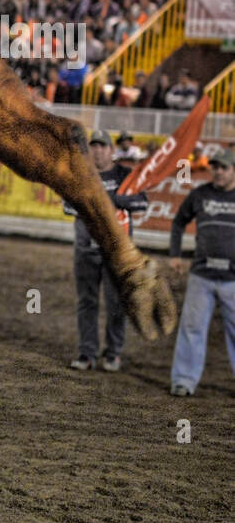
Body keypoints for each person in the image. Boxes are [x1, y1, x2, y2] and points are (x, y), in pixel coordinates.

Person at [65, 130, 149, 371]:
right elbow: (67, 206)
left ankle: (113, 353)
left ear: (112, 150)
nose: (98, 150)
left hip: (117, 252)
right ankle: (86, 353)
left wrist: (110, 200)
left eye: (103, 146)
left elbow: (142, 202)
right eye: (94, 146)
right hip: (86, 249)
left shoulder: (125, 175)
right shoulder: (79, 174)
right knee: (86, 302)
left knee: (116, 304)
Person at [167, 147, 235, 396]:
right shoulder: (199, 195)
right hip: (201, 276)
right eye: (214, 167)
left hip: (233, 280)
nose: (217, 172)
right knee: (191, 329)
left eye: (223, 168)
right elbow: (178, 222)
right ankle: (184, 380)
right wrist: (174, 254)